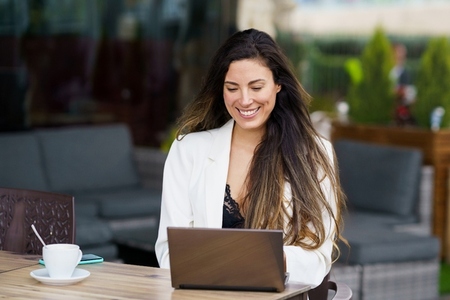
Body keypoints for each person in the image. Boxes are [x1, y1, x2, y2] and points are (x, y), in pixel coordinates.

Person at [155, 28, 346, 287]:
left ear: (278, 84)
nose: (245, 100)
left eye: (256, 87)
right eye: (232, 88)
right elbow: (169, 253)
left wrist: (276, 257)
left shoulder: (313, 152)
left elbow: (318, 257)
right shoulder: (188, 151)